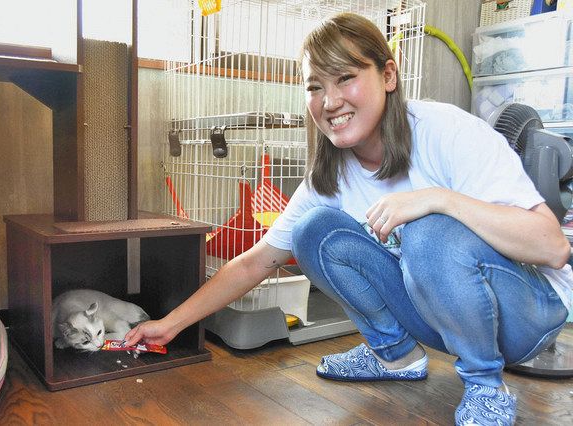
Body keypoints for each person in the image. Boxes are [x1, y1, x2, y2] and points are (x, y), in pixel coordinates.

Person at [126, 12, 572, 426]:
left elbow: (552, 247)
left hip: (525, 317)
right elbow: (254, 262)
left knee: (428, 230)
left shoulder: (446, 132)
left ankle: (485, 388)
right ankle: (394, 356)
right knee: (312, 231)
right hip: (444, 320)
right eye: (315, 86)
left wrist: (438, 199)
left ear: (389, 76)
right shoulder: (330, 174)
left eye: (346, 78)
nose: (330, 100)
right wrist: (170, 324)